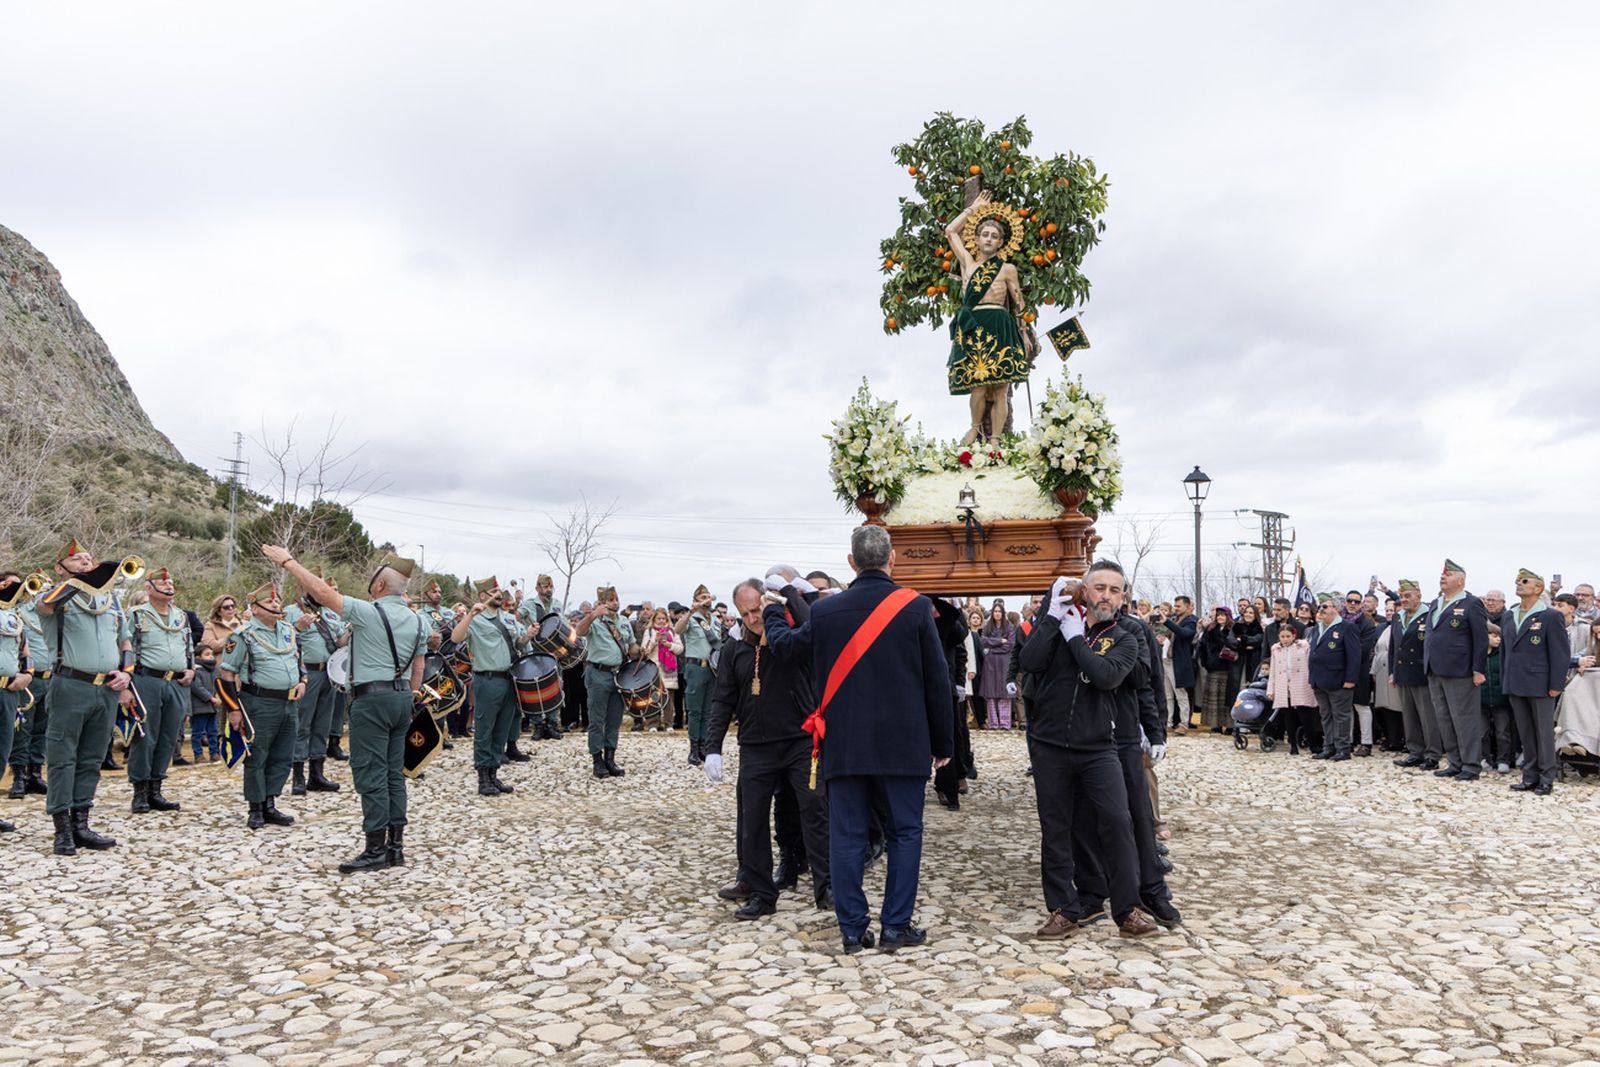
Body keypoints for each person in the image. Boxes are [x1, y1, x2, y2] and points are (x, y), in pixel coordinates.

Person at [762, 524, 953, 954]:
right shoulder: (916, 608)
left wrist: (775, 606)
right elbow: (936, 681)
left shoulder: (827, 612)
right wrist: (943, 744)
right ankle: (895, 926)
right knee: (905, 833)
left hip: (845, 742)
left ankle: (852, 930)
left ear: (851, 562)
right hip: (904, 742)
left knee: (845, 836)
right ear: (893, 558)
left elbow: (787, 648)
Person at [1019, 563, 1160, 940]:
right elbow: (1029, 663)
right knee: (1057, 827)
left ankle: (1127, 909)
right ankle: (1063, 909)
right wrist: (1051, 620)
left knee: (1117, 821)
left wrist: (1075, 641)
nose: (1106, 596)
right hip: (1050, 746)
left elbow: (1105, 676)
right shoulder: (1058, 623)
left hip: (1099, 747)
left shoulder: (1126, 636)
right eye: (1099, 587)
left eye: (1114, 590)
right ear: (1084, 590)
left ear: (1123, 597)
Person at [264, 548, 427, 872]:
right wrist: (409, 698)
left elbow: (324, 594)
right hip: (401, 699)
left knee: (370, 773)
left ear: (378, 587)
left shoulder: (368, 611)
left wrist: (289, 562)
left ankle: (375, 849)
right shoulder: (418, 620)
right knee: (395, 774)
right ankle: (395, 847)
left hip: (372, 701)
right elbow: (419, 668)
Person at [704, 577, 831, 919]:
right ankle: (761, 892)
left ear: (767, 603)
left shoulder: (788, 638)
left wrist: (790, 596)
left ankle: (828, 885)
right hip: (757, 746)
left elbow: (813, 626)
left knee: (815, 810)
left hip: (799, 741)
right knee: (753, 819)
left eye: (756, 610)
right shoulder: (734, 649)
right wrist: (712, 746)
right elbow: (722, 699)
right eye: (744, 614)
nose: (752, 619)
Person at [36, 538, 132, 856]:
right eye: (78, 561)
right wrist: (79, 580)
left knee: (91, 759)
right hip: (70, 685)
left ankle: (82, 822)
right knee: (63, 758)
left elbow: (126, 644)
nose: (86, 563)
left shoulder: (110, 602)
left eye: (90, 559)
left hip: (105, 688)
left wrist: (126, 673)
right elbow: (44, 606)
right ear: (60, 568)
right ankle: (62, 829)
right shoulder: (55, 595)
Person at [943, 191, 1037, 444]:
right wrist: (973, 209)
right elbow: (951, 232)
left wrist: (1024, 332)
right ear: (976, 238)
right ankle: (974, 428)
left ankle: (995, 438)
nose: (989, 238)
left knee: (1001, 387)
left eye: (994, 236)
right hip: (974, 327)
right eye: (985, 234)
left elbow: (1019, 302)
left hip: (1000, 325)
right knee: (979, 384)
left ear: (1001, 243)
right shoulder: (967, 264)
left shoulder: (1008, 269)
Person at [216, 581, 305, 830]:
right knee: (258, 755)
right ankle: (255, 807)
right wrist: (233, 709)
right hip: (259, 702)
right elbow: (227, 673)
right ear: (254, 609)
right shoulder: (243, 635)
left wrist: (304, 680)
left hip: (289, 703)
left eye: (277, 601)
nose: (276, 604)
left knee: (283, 755)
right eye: (269, 602)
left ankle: (270, 802)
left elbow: (299, 660)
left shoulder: (288, 630)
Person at [450, 578, 532, 797]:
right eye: (494, 591)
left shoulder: (507, 618)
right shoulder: (475, 620)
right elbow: (456, 637)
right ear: (483, 596)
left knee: (502, 728)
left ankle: (494, 773)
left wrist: (528, 637)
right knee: (484, 729)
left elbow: (517, 645)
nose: (499, 594)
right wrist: (469, 615)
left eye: (499, 591)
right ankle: (483, 777)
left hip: (509, 678)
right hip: (487, 679)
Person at [126, 567, 194, 814]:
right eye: (162, 583)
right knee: (145, 735)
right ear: (148, 587)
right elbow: (125, 648)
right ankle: (140, 791)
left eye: (171, 583)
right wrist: (126, 684)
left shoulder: (181, 616)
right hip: (147, 679)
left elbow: (188, 647)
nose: (168, 586)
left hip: (175, 682)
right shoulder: (134, 615)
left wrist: (191, 669)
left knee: (168, 736)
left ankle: (156, 788)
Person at [1501, 569, 1570, 796]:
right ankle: (1529, 776)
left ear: (1538, 588)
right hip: (1516, 682)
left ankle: (1546, 777)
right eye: (1517, 581)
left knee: (1543, 732)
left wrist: (1556, 684)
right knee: (1525, 733)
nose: (1518, 584)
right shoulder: (1510, 615)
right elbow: (1505, 652)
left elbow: (1560, 653)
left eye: (1524, 581)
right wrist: (1506, 680)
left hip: (1540, 683)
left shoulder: (1550, 615)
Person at [1424, 560, 1490, 781]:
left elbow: (1480, 639)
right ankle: (1454, 762)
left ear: (1460, 580)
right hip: (1435, 669)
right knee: (1444, 719)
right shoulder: (1436, 602)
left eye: (1448, 574)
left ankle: (1471, 765)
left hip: (1460, 670)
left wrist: (1478, 669)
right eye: (1442, 574)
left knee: (1465, 719)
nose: (1443, 577)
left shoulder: (1471, 604)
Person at [284, 573, 348, 796]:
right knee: (302, 725)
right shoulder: (291, 612)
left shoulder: (329, 613)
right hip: (307, 674)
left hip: (328, 673)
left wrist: (350, 629)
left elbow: (340, 642)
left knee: (322, 725)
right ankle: (298, 776)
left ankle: (317, 775)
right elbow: (281, 642)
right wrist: (297, 628)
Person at [575, 585, 640, 779]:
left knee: (614, 720)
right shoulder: (595, 621)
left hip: (618, 675)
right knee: (597, 720)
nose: (615, 602)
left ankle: (610, 758)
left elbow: (631, 645)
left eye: (616, 598)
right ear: (603, 602)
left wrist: (640, 650)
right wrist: (593, 615)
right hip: (598, 674)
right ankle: (597, 760)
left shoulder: (624, 621)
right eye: (610, 599)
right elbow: (579, 631)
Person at [1388, 580, 1441, 770]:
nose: (1404, 600)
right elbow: (1394, 647)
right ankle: (1415, 752)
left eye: (1408, 596)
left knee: (1428, 717)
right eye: (1402, 596)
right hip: (1403, 672)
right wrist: (1392, 672)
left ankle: (1432, 754)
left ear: (1419, 595)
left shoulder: (1429, 615)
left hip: (1421, 672)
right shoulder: (1398, 617)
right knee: (1409, 716)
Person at [8, 577, 52, 801]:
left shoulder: (52, 614)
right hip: (29, 679)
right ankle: (18, 776)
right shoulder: (19, 613)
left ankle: (35, 773)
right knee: (22, 729)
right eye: (40, 588)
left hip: (51, 677)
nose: (44, 592)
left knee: (42, 729)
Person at [0, 571, 36, 833]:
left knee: (2, 752)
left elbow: (26, 653)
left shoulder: (15, 618)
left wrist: (27, 675)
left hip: (8, 691)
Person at [1307, 594, 1361, 761]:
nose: (1321, 610)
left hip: (1338, 680)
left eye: (1325, 606)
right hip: (1319, 680)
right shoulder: (1317, 628)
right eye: (1320, 607)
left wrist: (1350, 679)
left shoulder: (1347, 627)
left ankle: (1343, 749)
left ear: (1336, 609)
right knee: (1326, 715)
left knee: (1341, 716)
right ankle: (1328, 746)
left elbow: (1354, 655)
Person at [674, 586, 721, 766]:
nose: (708, 599)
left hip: (712, 668)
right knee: (695, 711)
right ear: (696, 599)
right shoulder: (692, 618)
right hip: (696, 667)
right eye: (703, 596)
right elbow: (677, 629)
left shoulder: (715, 620)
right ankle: (693, 749)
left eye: (709, 596)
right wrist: (690, 611)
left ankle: (703, 747)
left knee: (708, 711)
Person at [516, 575, 564, 739]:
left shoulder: (557, 604)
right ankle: (537, 725)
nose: (548, 590)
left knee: (554, 686)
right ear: (537, 588)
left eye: (550, 587)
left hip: (553, 651)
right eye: (544, 587)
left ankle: (552, 724)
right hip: (534, 651)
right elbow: (515, 617)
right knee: (534, 689)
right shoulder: (529, 604)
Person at [1267, 621, 1317, 754]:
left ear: (1294, 635)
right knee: (1288, 716)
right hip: (1283, 684)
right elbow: (1273, 670)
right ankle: (1293, 745)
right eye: (1282, 636)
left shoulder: (1303, 647)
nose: (1285, 639)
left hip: (1300, 683)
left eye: (1288, 636)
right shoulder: (1276, 649)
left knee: (1304, 714)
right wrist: (1271, 689)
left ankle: (1312, 744)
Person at [1197, 607, 1240, 732]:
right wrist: (1206, 662)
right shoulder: (1210, 629)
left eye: (1223, 615)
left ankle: (1229, 725)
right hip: (1213, 668)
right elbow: (1202, 646)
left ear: (1228, 616)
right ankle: (1215, 724)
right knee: (1214, 698)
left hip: (1228, 667)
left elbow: (1236, 645)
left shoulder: (1233, 629)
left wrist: (1224, 640)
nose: (1220, 617)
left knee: (1226, 698)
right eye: (1218, 615)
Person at [639, 607, 682, 732]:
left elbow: (680, 649)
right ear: (654, 619)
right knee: (653, 697)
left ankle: (669, 723)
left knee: (668, 697)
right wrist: (654, 640)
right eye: (659, 618)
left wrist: (670, 645)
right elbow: (645, 650)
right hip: (654, 669)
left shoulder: (673, 631)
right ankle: (653, 724)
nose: (662, 621)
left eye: (664, 618)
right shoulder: (650, 631)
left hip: (669, 669)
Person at [978, 600, 1017, 729]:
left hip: (1004, 662)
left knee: (1004, 693)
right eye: (995, 611)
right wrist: (999, 641)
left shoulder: (1009, 627)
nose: (997, 613)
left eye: (999, 611)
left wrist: (992, 648)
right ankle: (993, 723)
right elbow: (983, 641)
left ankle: (1005, 723)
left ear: (1003, 612)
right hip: (990, 664)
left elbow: (1010, 645)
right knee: (990, 693)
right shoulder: (987, 627)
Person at [1480, 623, 1513, 773]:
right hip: (1481, 699)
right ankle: (1484, 759)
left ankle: (1504, 760)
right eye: (1493, 635)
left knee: (1502, 731)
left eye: (1499, 636)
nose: (1497, 639)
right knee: (1482, 732)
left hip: (1501, 699)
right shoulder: (1477, 654)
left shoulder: (1502, 654)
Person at [1166, 597, 1198, 729]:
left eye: (1178, 606)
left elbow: (1185, 634)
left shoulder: (1191, 620)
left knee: (1181, 694)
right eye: (1175, 605)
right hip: (1166, 659)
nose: (1175, 608)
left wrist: (1166, 622)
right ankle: (1168, 722)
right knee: (1167, 695)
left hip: (1179, 661)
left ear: (1187, 606)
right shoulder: (1175, 619)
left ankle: (1184, 722)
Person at [188, 645, 220, 763]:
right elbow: (197, 687)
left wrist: (218, 697)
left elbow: (219, 685)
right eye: (207, 654)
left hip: (213, 707)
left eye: (211, 654)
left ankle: (214, 753)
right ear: (197, 657)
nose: (211, 656)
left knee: (213, 731)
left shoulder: (215, 670)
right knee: (198, 732)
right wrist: (210, 698)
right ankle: (198, 754)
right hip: (200, 707)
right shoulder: (196, 671)